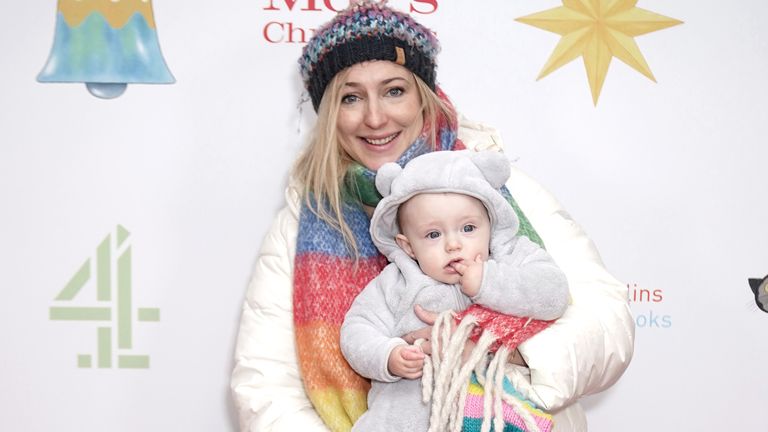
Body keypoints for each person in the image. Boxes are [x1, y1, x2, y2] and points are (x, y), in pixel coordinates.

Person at [230, 1, 635, 431]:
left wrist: (487, 350)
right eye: (351, 97)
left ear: (424, 97)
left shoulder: (496, 190)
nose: (374, 116)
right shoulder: (303, 221)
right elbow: (266, 385)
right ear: (330, 113)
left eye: (394, 90)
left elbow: (607, 325)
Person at [340, 149, 569, 431]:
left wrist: (489, 281)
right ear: (408, 246)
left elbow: (554, 292)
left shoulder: (507, 259)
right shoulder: (396, 282)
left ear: (490, 225)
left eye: (469, 228)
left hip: (489, 412)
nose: (453, 245)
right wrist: (387, 355)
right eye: (433, 235)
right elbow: (357, 329)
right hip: (404, 416)